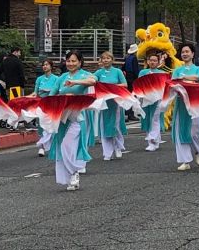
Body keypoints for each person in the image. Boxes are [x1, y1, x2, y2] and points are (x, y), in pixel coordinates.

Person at [49, 49, 96, 191]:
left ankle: (75, 172)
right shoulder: (61, 77)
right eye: (68, 61)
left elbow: (93, 81)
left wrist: (74, 82)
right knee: (62, 147)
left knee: (68, 146)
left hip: (77, 117)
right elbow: (52, 95)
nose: (70, 63)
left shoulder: (85, 75)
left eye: (74, 61)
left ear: (80, 62)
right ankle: (70, 177)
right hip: (62, 117)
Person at [171, 42, 199, 171]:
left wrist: (184, 77)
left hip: (194, 103)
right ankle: (185, 161)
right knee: (181, 130)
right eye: (183, 52)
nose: (184, 54)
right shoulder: (177, 70)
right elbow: (173, 83)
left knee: (194, 131)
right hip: (181, 103)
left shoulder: (198, 68)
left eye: (187, 52)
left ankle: (197, 151)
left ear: (192, 54)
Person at [93, 50, 128, 161]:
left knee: (115, 125)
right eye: (103, 58)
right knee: (104, 126)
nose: (106, 60)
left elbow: (125, 84)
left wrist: (112, 87)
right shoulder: (99, 72)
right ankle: (107, 152)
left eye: (108, 58)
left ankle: (118, 147)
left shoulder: (117, 71)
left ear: (112, 60)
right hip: (104, 103)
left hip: (116, 102)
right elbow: (92, 80)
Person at [139, 48, 167, 151]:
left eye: (155, 60)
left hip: (157, 99)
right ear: (147, 61)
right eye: (151, 60)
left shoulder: (161, 73)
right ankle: (154, 141)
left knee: (155, 118)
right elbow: (139, 84)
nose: (152, 62)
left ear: (158, 62)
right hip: (146, 99)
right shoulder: (143, 72)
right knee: (147, 119)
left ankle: (152, 140)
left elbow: (164, 87)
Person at [33, 58, 57, 156]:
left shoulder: (56, 78)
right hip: (41, 104)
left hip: (52, 104)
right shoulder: (39, 79)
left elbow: (57, 91)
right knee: (41, 125)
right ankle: (41, 147)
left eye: (47, 64)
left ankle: (53, 146)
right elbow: (36, 92)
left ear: (51, 66)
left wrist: (48, 91)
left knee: (51, 125)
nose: (45, 66)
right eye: (43, 65)